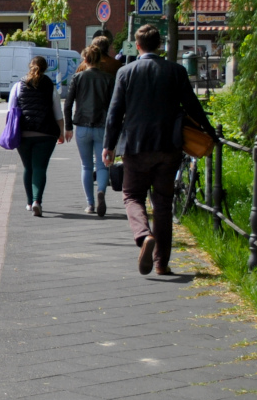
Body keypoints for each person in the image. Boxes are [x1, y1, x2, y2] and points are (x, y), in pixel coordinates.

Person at [103, 24, 211, 276]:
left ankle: (143, 236)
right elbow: (193, 106)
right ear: (160, 45)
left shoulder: (126, 72)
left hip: (136, 147)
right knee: (162, 203)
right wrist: (210, 133)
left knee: (132, 196)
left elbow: (115, 113)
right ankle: (162, 263)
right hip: (168, 146)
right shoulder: (176, 71)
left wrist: (108, 146)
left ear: (137, 46)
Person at [64, 43, 116, 217]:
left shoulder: (77, 78)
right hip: (102, 127)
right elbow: (113, 107)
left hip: (82, 127)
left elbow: (68, 104)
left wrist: (68, 127)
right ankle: (101, 190)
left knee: (86, 166)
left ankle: (90, 204)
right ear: (100, 60)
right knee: (102, 165)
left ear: (85, 60)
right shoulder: (108, 79)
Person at [11, 55, 66, 216]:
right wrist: (61, 132)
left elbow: (11, 110)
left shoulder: (18, 86)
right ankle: (37, 201)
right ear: (45, 68)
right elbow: (57, 112)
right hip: (46, 133)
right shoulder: (50, 85)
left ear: (30, 67)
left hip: (24, 133)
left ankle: (29, 203)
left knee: (28, 167)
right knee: (40, 168)